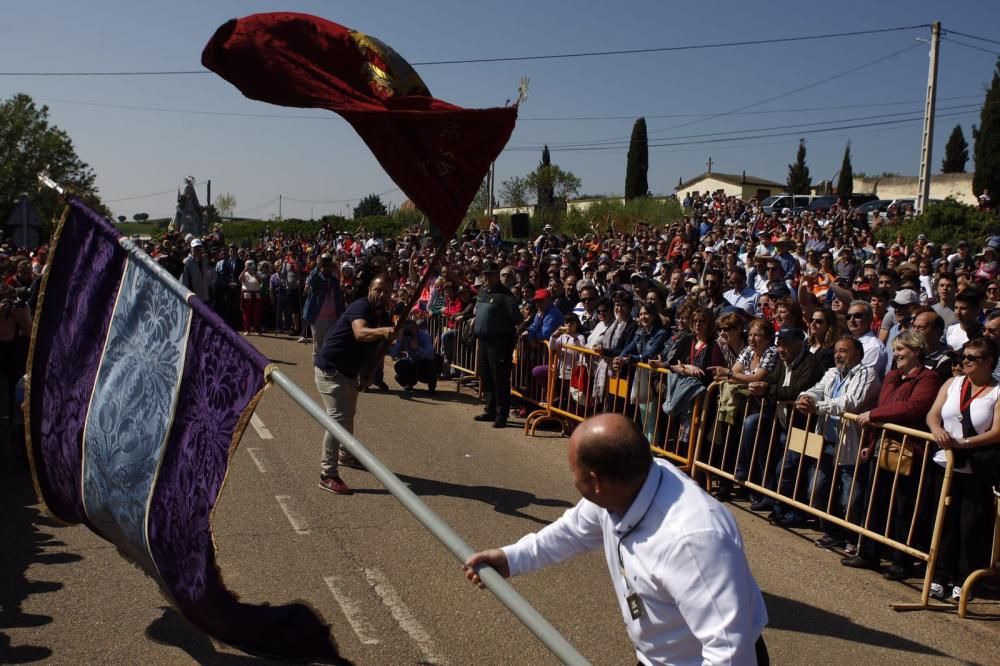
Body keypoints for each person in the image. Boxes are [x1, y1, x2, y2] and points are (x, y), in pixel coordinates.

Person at [463, 413, 769, 666]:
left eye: (574, 474)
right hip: (656, 658)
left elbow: (730, 654)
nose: (572, 480)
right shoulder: (624, 487)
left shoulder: (692, 540)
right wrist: (510, 558)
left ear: (595, 481)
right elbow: (571, 531)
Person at [842, 330, 941, 578]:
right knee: (875, 501)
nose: (895, 354)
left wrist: (874, 416)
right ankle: (869, 553)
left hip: (910, 451)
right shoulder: (892, 376)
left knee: (904, 507)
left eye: (901, 349)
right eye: (895, 349)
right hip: (884, 446)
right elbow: (885, 407)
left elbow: (913, 408)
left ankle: (902, 560)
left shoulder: (928, 378)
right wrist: (872, 442)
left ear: (916, 351)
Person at [925, 336, 1000, 601]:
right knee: (945, 522)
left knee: (970, 525)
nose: (965, 362)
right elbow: (933, 414)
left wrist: (965, 443)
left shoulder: (997, 391)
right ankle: (939, 575)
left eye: (972, 358)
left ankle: (963, 580)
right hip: (945, 463)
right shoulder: (952, 383)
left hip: (976, 467)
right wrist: (937, 432)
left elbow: (997, 431)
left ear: (989, 362)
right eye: (963, 357)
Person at [795, 336, 882, 550]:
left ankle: (852, 539)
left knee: (850, 499)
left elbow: (850, 403)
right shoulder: (832, 372)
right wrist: (806, 397)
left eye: (843, 351)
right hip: (826, 440)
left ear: (858, 354)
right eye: (836, 351)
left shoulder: (867, 373)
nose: (838, 355)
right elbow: (817, 388)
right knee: (815, 489)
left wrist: (818, 407)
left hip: (850, 444)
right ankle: (831, 532)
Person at [314, 275, 397, 495]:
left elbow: (380, 351)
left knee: (347, 415)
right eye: (378, 290)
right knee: (337, 420)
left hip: (350, 371)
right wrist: (382, 331)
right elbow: (360, 333)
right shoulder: (360, 307)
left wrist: (370, 373)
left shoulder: (384, 316)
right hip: (331, 370)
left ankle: (345, 455)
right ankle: (327, 474)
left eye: (386, 292)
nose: (382, 295)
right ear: (370, 288)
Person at [473, 261, 523, 429]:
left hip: (500, 343)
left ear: (496, 275)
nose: (487, 277)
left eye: (490, 274)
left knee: (499, 379)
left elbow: (517, 318)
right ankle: (490, 410)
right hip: (484, 342)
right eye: (485, 274)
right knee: (486, 376)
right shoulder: (482, 292)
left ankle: (502, 415)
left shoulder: (505, 295)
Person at [302, 253, 345, 355]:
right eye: (325, 264)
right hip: (317, 318)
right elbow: (310, 282)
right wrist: (318, 267)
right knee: (318, 347)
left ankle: (325, 368)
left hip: (332, 319)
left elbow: (338, 299)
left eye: (329, 264)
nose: (327, 267)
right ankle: (317, 369)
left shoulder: (335, 281)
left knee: (328, 345)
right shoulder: (317, 277)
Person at [390, 318, 440, 393]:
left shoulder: (424, 335)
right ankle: (409, 383)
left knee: (432, 362)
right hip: (412, 362)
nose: (409, 331)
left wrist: (418, 348)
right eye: (407, 329)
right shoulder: (404, 336)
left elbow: (431, 354)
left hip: (424, 363)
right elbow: (393, 355)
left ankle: (432, 387)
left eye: (410, 329)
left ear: (416, 328)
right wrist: (399, 340)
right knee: (399, 366)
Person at [180, 238, 213, 304]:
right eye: (195, 247)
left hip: (205, 297)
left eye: (199, 247)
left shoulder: (204, 260)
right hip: (193, 299)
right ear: (191, 248)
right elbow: (183, 282)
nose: (198, 249)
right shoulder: (186, 262)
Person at [238, 259, 263, 336]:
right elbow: (239, 279)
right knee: (246, 314)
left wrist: (254, 272)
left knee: (256, 314)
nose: (250, 266)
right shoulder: (244, 274)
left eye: (251, 265)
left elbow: (260, 281)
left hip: (256, 295)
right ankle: (247, 329)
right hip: (247, 295)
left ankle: (257, 329)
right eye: (248, 265)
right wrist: (245, 269)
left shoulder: (258, 273)